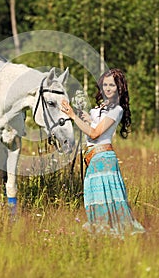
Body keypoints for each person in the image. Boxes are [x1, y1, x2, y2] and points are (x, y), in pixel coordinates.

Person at [61, 68, 145, 236]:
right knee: (96, 199)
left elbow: (94, 134)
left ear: (118, 87)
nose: (107, 88)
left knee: (106, 199)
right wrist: (83, 116)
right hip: (93, 159)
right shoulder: (102, 108)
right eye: (105, 84)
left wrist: (73, 116)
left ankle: (111, 235)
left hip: (103, 160)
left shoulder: (116, 109)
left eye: (111, 85)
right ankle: (102, 235)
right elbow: (94, 127)